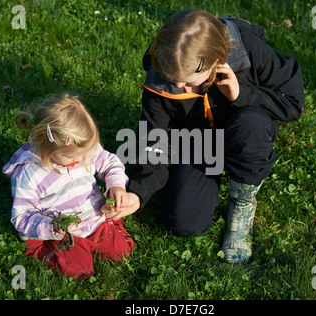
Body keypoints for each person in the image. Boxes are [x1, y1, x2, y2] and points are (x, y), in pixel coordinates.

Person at [104, 9, 304, 263]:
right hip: (197, 143)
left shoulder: (248, 51)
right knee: (184, 223)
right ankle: (210, 171)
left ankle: (242, 202)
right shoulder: (163, 72)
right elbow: (154, 140)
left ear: (216, 60)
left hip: (245, 129)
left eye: (188, 81)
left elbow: (292, 102)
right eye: (173, 80)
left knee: (252, 123)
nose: (179, 87)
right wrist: (137, 192)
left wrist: (241, 95)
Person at [2, 93, 135, 279]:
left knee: (121, 252)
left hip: (95, 217)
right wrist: (51, 227)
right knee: (78, 270)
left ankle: (98, 235)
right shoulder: (30, 174)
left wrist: (116, 185)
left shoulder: (81, 148)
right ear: (48, 148)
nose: (80, 160)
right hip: (64, 231)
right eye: (72, 158)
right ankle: (40, 245)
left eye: (84, 154)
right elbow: (22, 216)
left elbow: (110, 163)